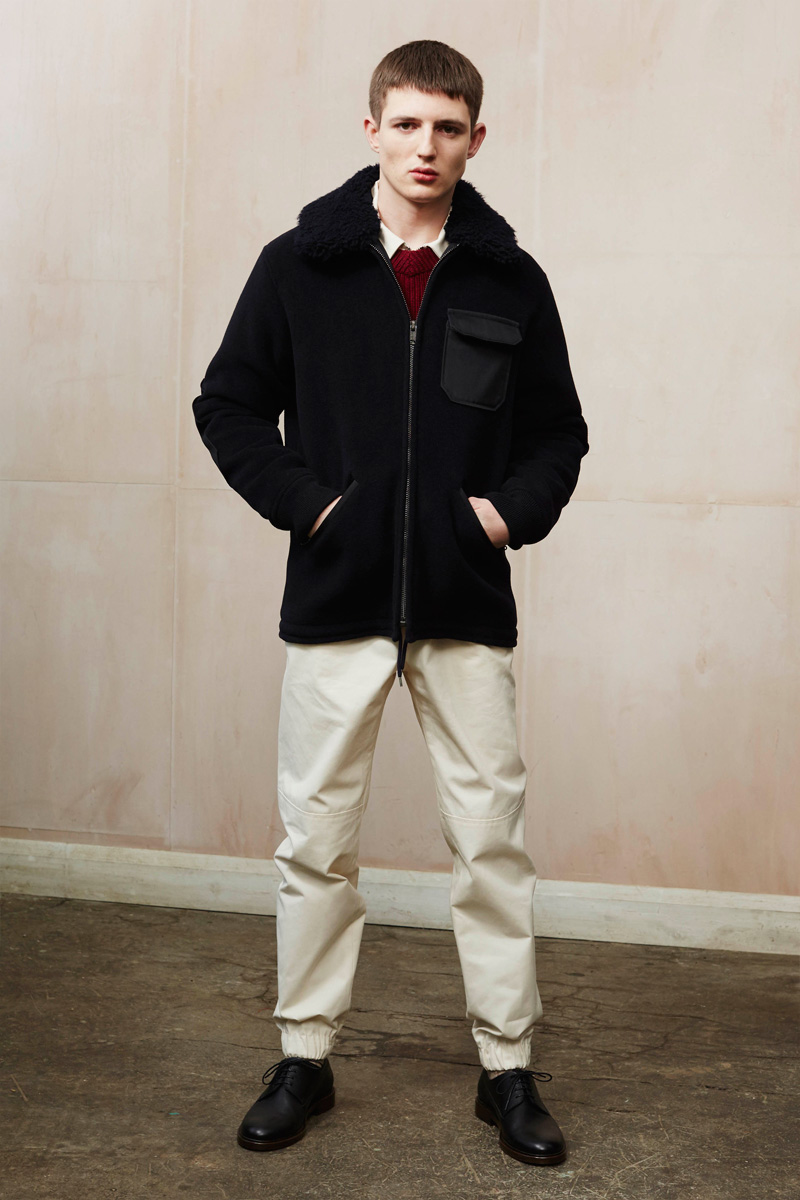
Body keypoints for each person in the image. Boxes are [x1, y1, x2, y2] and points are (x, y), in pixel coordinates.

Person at [192, 39, 589, 1167]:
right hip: (338, 597)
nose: (426, 147)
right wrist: (315, 508)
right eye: (406, 124)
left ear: (476, 139)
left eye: (447, 128)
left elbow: (557, 433)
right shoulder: (297, 266)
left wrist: (497, 518)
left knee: (491, 844)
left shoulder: (511, 279)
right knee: (315, 841)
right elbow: (227, 404)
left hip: (464, 600)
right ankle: (303, 1058)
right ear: (371, 129)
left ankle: (507, 1071)